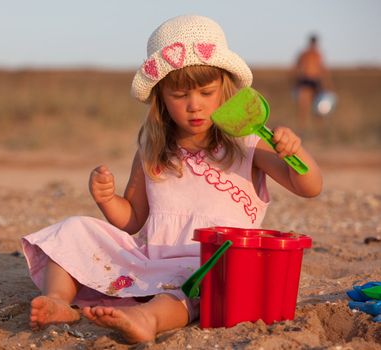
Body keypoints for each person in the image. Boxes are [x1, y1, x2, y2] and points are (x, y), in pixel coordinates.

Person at [21, 15, 323, 343]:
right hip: (152, 260)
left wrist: (295, 151)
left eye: (206, 92)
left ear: (224, 89)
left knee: (198, 285)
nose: (195, 106)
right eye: (180, 95)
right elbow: (132, 219)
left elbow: (309, 186)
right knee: (74, 229)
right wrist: (107, 200)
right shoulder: (153, 151)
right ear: (161, 97)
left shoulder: (248, 144)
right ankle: (59, 300)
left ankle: (147, 317)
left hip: (210, 263)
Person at [293, 34, 331, 132]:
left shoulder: (317, 54)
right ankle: (302, 127)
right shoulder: (306, 54)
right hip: (306, 80)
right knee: (304, 106)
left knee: (318, 105)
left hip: (315, 81)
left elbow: (322, 68)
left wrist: (326, 83)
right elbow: (298, 66)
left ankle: (319, 128)